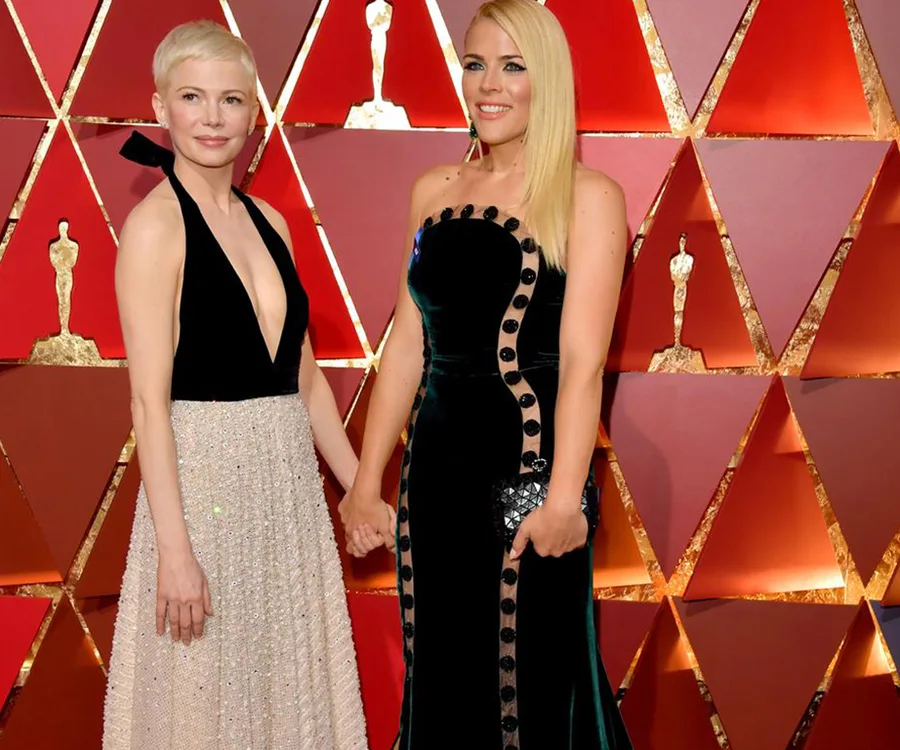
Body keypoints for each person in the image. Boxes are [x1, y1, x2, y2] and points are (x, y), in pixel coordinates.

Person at [339, 1, 634, 747]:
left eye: (512, 65)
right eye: (475, 64)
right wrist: (368, 479)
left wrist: (566, 498)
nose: (488, 84)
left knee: (529, 681)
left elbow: (583, 365)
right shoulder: (432, 192)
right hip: (434, 481)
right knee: (442, 672)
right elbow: (407, 346)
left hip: (529, 478)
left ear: (549, 81)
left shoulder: (589, 197)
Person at [102, 20, 372, 750]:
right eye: (193, 97)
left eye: (231, 100)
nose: (214, 117)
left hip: (285, 496)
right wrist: (175, 553)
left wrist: (357, 488)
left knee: (285, 693)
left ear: (255, 112)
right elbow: (148, 407)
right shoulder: (155, 227)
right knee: (203, 701)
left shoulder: (271, 221)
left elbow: (304, 378)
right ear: (161, 108)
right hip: (201, 489)